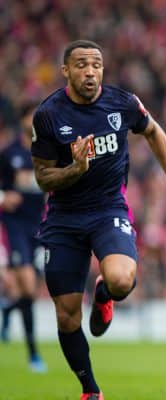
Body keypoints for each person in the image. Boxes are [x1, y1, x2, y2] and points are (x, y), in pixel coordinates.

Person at [31, 40, 166, 400]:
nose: (90, 71)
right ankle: (90, 390)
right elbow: (43, 178)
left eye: (96, 64)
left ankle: (105, 294)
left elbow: (153, 131)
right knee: (66, 316)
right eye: (81, 65)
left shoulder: (122, 102)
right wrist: (75, 169)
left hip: (108, 209)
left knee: (123, 280)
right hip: (64, 218)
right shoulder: (48, 115)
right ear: (66, 71)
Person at [0, 104, 47, 373]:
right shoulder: (8, 154)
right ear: (22, 120)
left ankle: (7, 311)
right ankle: (34, 354)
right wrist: (4, 197)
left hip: (41, 227)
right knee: (28, 287)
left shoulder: (47, 152)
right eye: (31, 115)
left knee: (32, 290)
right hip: (15, 226)